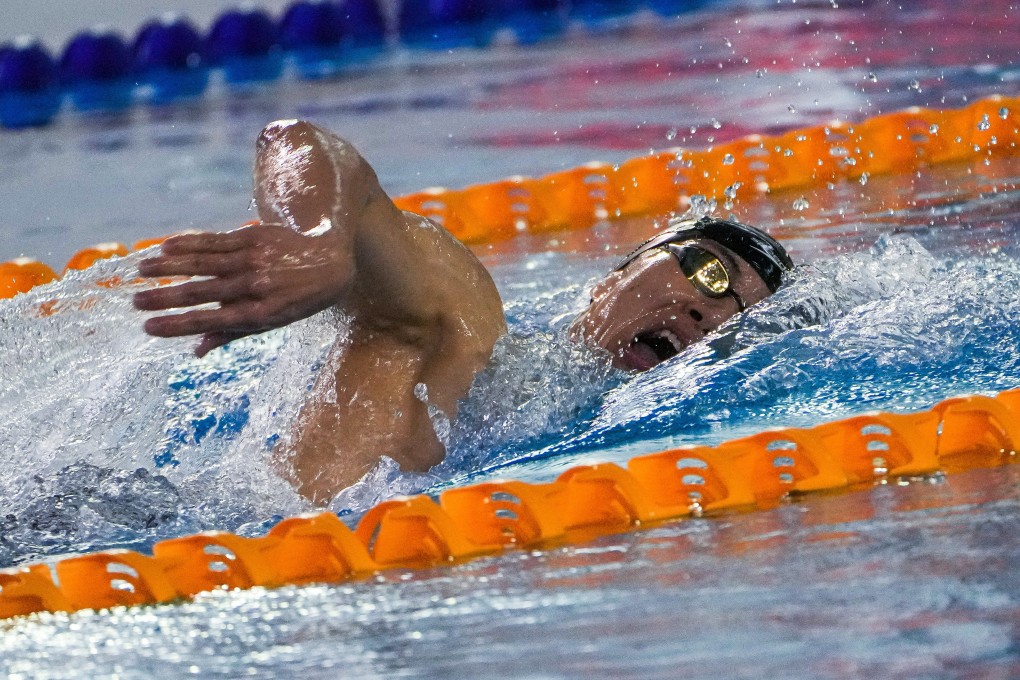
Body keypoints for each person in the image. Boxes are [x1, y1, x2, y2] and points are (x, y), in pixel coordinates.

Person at [133, 120, 793, 503]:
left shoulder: (624, 453)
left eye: (737, 320)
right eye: (707, 271)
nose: (708, 314)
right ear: (611, 278)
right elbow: (302, 143)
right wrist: (321, 241)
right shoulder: (468, 323)